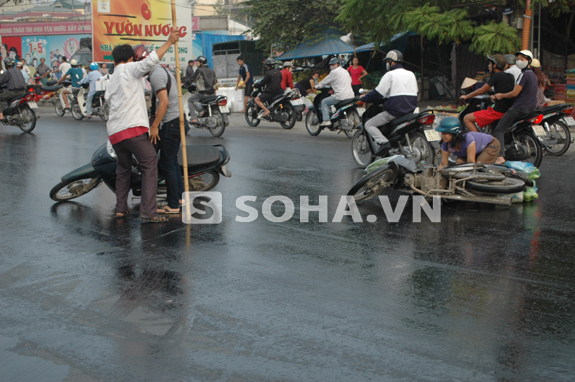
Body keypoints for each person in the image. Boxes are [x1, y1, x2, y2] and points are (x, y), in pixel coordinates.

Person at [105, 31, 180, 223]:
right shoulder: (130, 69)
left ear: (114, 61)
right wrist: (169, 41)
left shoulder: (111, 78)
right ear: (130, 59)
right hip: (133, 130)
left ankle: (121, 209)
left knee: (123, 169)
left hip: (115, 133)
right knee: (150, 164)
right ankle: (149, 212)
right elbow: (152, 59)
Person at [148, 61, 189, 214]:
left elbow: (164, 102)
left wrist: (154, 126)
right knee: (172, 161)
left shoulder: (156, 75)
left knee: (167, 164)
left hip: (172, 122)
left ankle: (172, 205)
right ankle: (178, 198)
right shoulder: (162, 71)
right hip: (178, 119)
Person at [360, 50, 418, 156]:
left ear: (392, 62)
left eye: (387, 61)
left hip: (395, 111)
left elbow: (377, 93)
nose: (387, 64)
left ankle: (384, 143)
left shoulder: (390, 75)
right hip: (410, 110)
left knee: (369, 124)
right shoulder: (411, 74)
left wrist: (365, 98)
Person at [492, 50, 538, 164]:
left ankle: (500, 157)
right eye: (518, 58)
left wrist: (501, 95)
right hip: (531, 108)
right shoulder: (532, 74)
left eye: (523, 59)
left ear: (529, 61)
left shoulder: (524, 74)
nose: (519, 60)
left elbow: (514, 93)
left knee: (499, 129)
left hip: (519, 108)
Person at [460, 54, 515, 132]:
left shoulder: (496, 76)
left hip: (498, 111)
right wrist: (494, 96)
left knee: (467, 118)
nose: (489, 66)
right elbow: (505, 90)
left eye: (490, 64)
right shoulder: (510, 76)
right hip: (508, 110)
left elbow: (481, 90)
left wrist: (466, 96)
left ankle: (479, 141)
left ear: (495, 65)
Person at [436, 117, 501, 170]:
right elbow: (443, 164)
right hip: (477, 150)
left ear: (453, 134)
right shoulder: (446, 144)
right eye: (442, 133)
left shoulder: (468, 140)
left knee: (478, 164)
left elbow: (471, 162)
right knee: (459, 163)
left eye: (445, 133)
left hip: (491, 144)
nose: (442, 136)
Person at [315, 57, 355, 127]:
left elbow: (325, 81)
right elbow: (350, 81)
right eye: (331, 64)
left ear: (338, 64)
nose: (332, 66)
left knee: (324, 102)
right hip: (351, 95)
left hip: (341, 96)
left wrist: (317, 86)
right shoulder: (345, 71)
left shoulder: (334, 72)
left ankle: (326, 120)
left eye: (333, 64)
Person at [184, 55, 217, 125]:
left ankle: (193, 118)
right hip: (212, 93)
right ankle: (202, 112)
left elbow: (191, 79)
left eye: (197, 62)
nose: (196, 64)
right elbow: (215, 81)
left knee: (190, 100)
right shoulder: (211, 71)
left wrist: (185, 85)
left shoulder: (199, 70)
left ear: (201, 62)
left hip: (203, 94)